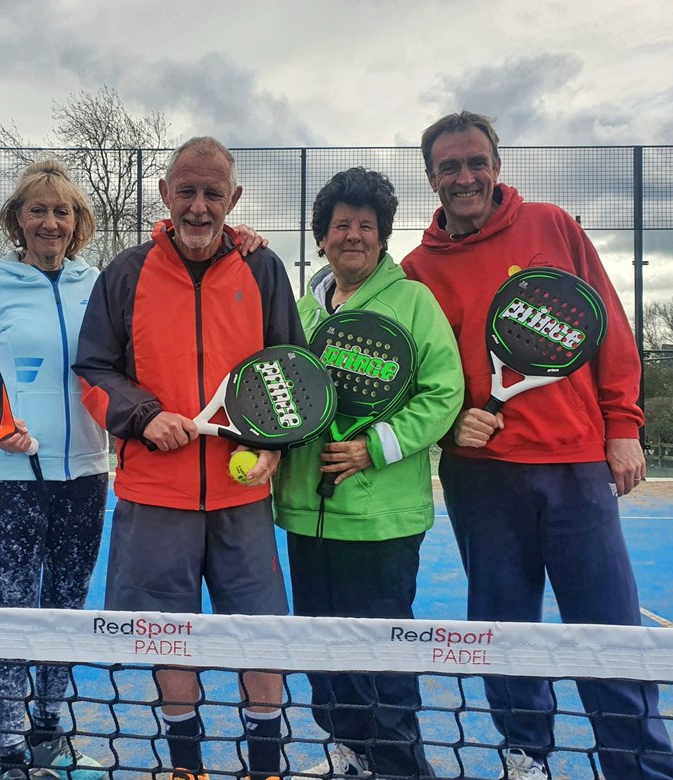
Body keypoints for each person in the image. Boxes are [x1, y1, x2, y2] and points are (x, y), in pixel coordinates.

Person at [400, 111, 673, 780]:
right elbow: (424, 382)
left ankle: (639, 768)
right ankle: (527, 757)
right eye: (450, 167)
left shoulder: (553, 225)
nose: (465, 176)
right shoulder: (416, 269)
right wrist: (452, 423)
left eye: (476, 161)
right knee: (503, 632)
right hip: (482, 478)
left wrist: (622, 426)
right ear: (431, 177)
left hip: (576, 467)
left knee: (608, 633)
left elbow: (606, 326)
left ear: (496, 164)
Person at [73, 137, 302, 780]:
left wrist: (271, 447)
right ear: (167, 195)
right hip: (154, 498)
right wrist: (145, 416)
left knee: (262, 640)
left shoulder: (264, 270)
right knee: (167, 637)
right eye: (187, 191)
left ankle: (265, 767)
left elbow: (293, 373)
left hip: (242, 500)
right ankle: (186, 768)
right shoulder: (124, 273)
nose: (199, 207)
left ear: (234, 200)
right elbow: (93, 371)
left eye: (212, 194)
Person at [273, 168, 463, 779]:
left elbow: (443, 393)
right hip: (306, 514)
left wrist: (371, 449)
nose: (352, 236)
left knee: (381, 660)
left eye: (365, 227)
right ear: (322, 238)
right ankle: (349, 757)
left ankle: (401, 770)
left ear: (381, 238)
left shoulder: (413, 301)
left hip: (381, 521)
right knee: (324, 658)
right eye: (340, 227)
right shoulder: (302, 308)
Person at [0, 160, 110, 780]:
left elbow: (118, 363)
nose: (50, 221)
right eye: (37, 210)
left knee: (65, 611)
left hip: (87, 476)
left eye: (62, 211)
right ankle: (13, 750)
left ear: (78, 223)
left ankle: (50, 734)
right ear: (17, 219)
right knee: (15, 611)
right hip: (7, 480)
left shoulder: (96, 283)